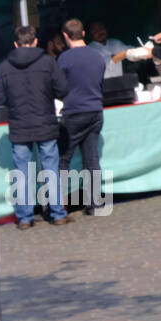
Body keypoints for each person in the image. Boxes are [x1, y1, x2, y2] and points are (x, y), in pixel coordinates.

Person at [0, 23, 69, 228]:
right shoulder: (47, 62)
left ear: (16, 44)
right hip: (45, 123)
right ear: (35, 41)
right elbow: (63, 89)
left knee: (22, 172)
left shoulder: (5, 66)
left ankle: (25, 218)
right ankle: (58, 213)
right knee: (50, 169)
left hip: (19, 126)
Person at [56, 18, 108, 215]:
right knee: (91, 158)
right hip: (95, 110)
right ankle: (95, 203)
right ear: (84, 34)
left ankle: (58, 206)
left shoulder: (64, 59)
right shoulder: (97, 56)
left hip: (74, 112)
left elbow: (58, 87)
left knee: (62, 159)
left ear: (66, 36)